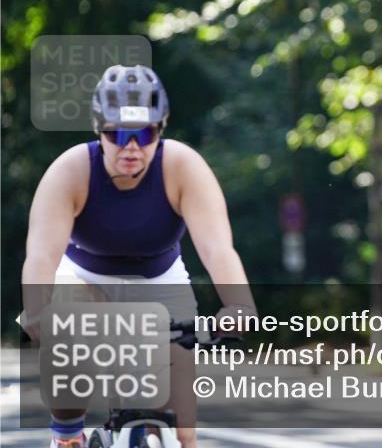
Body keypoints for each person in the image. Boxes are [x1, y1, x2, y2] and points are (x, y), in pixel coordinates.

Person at [21, 64, 256, 448]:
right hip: (83, 278)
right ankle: (67, 437)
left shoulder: (183, 167)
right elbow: (42, 254)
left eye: (145, 134)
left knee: (182, 431)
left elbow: (217, 249)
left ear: (160, 131)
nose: (131, 147)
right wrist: (36, 310)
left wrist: (240, 305)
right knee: (66, 364)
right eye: (117, 133)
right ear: (99, 130)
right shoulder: (71, 170)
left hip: (161, 281)